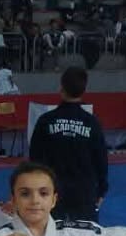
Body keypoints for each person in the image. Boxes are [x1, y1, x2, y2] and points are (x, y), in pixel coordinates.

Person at [29, 67, 108, 222]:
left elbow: (35, 158)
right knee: (86, 234)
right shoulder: (92, 123)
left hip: (52, 190)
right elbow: (101, 160)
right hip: (84, 191)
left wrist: (37, 189)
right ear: (83, 91)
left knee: (50, 232)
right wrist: (101, 190)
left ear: (61, 89)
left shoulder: (46, 120)